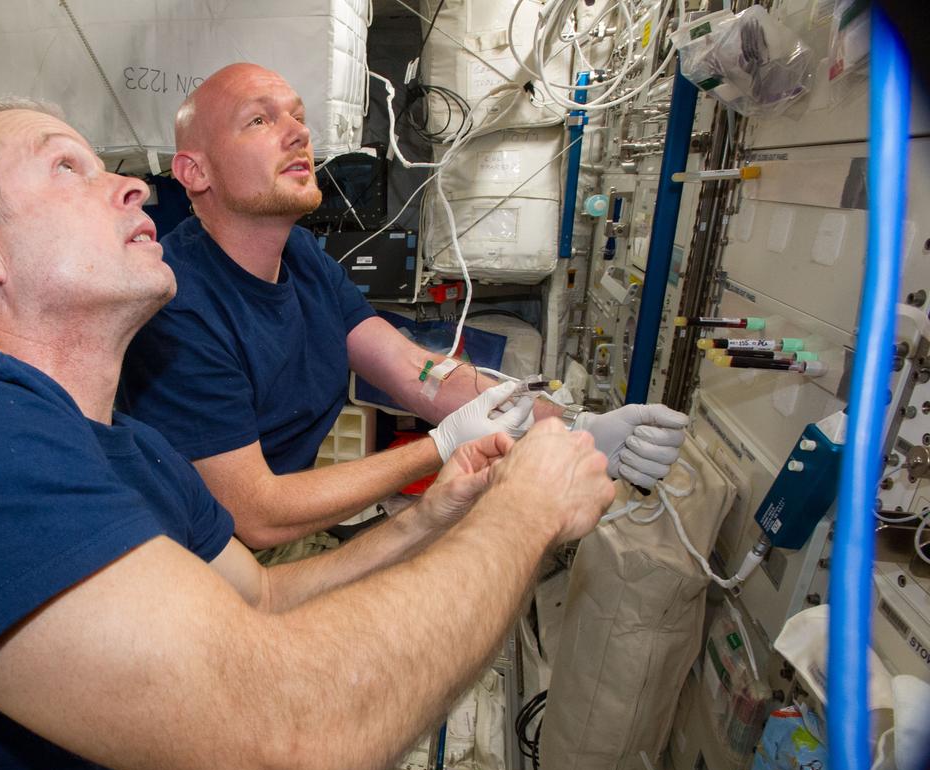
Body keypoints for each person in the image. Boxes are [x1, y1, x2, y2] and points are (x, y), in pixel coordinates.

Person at [0, 98, 616, 770]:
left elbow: (266, 599)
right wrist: (524, 514)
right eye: (67, 168)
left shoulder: (129, 450)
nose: (131, 186)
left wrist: (438, 514)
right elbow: (296, 738)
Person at [119, 63, 690, 552]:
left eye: (297, 116)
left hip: (272, 525)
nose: (297, 133)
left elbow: (418, 374)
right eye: (260, 120)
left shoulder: (297, 253)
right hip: (201, 560)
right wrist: (440, 447)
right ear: (195, 172)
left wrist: (572, 428)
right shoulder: (174, 306)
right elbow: (258, 513)